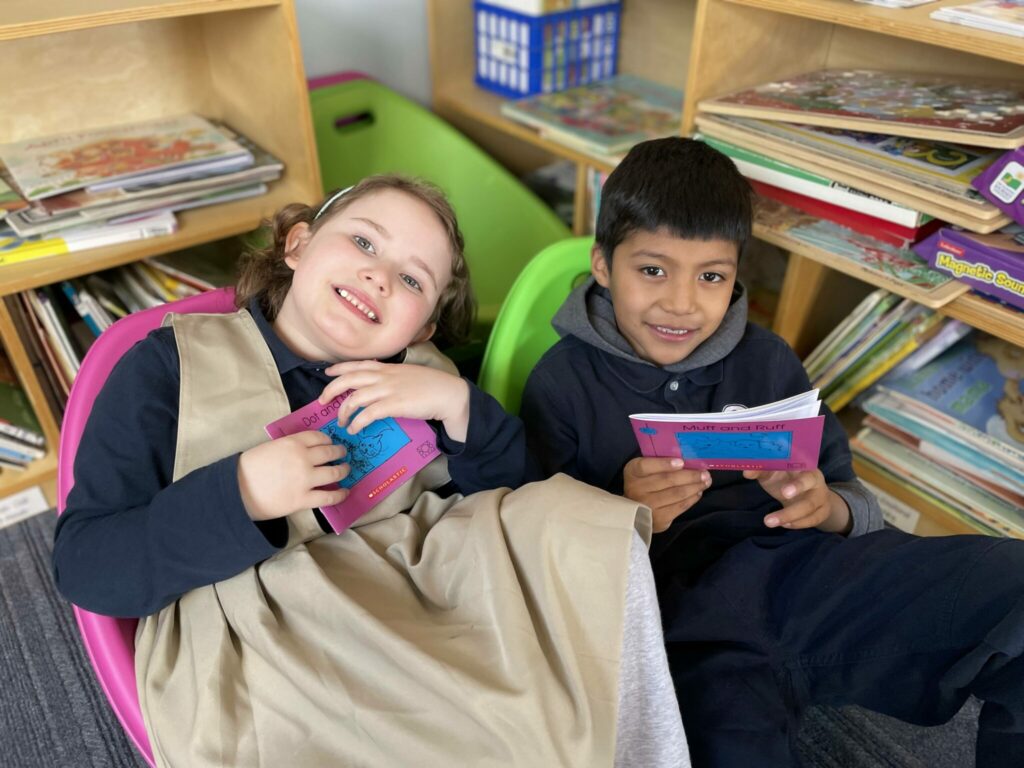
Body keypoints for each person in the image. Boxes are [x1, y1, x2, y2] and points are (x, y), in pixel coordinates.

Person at [54, 175, 689, 768]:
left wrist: (457, 405)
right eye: (363, 241)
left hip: (429, 594)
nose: (380, 277)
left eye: (413, 281)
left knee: (579, 522)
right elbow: (88, 565)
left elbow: (518, 501)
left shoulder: (427, 373)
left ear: (427, 324)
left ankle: (636, 745)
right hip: (278, 627)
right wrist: (242, 492)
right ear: (297, 244)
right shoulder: (167, 367)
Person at [520, 138, 1024, 768]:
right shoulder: (560, 385)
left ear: (737, 276)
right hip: (682, 627)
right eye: (652, 270)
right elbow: (538, 564)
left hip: (810, 580)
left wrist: (827, 507)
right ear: (601, 265)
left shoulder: (769, 361)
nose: (681, 303)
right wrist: (625, 514)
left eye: (711, 276)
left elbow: (849, 496)